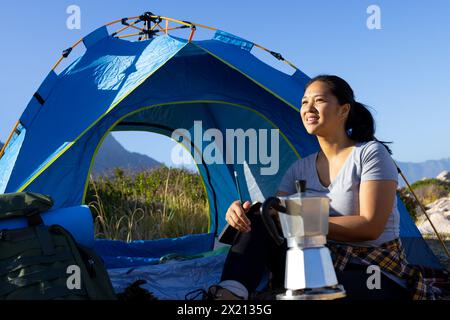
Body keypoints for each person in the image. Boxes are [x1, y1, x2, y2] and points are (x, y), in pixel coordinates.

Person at [206, 75, 432, 300]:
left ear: (343, 110)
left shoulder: (370, 154)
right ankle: (230, 295)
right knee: (257, 216)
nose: (308, 108)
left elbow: (370, 226)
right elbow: (273, 215)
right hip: (313, 257)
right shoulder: (300, 168)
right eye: (304, 102)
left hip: (369, 265)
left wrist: (298, 218)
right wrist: (244, 213)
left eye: (319, 101)